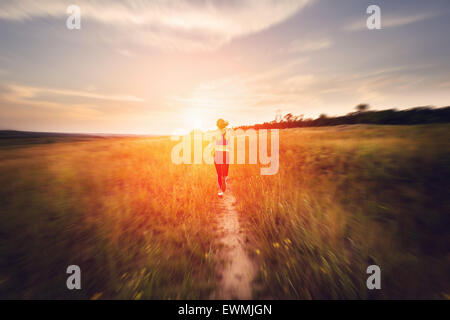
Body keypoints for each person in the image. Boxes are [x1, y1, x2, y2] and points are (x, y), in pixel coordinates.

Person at [212, 119, 230, 197]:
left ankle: (221, 191)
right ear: (224, 125)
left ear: (217, 125)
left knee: (219, 173)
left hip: (217, 153)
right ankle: (224, 178)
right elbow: (228, 142)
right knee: (225, 173)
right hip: (226, 153)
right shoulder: (228, 132)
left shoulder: (215, 133)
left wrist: (212, 151)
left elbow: (212, 143)